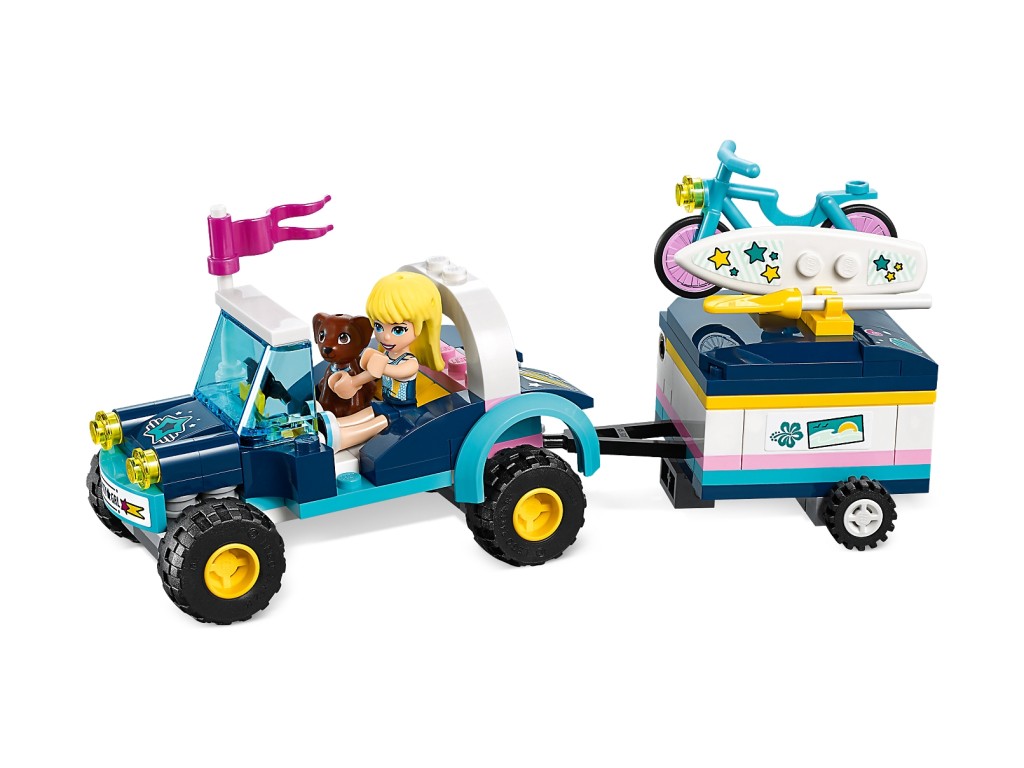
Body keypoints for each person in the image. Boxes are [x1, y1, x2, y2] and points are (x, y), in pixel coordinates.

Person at [326, 271, 444, 450]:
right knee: (368, 411)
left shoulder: (409, 362)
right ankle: (333, 425)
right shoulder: (386, 356)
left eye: (398, 330)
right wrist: (352, 382)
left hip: (405, 411)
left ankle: (341, 439)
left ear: (421, 327)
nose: (385, 337)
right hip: (387, 403)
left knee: (378, 423)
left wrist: (378, 366)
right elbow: (372, 374)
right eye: (379, 327)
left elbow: (394, 371)